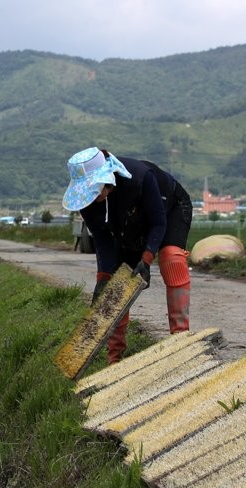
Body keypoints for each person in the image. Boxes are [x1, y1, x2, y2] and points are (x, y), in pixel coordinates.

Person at [62, 147, 193, 362]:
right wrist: (103, 277)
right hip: (128, 220)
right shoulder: (88, 204)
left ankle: (179, 342)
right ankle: (115, 359)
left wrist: (147, 257)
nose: (93, 197)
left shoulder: (140, 178)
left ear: (107, 180)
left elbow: (158, 222)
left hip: (169, 207)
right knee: (118, 282)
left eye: (94, 190)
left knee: (171, 258)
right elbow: (103, 239)